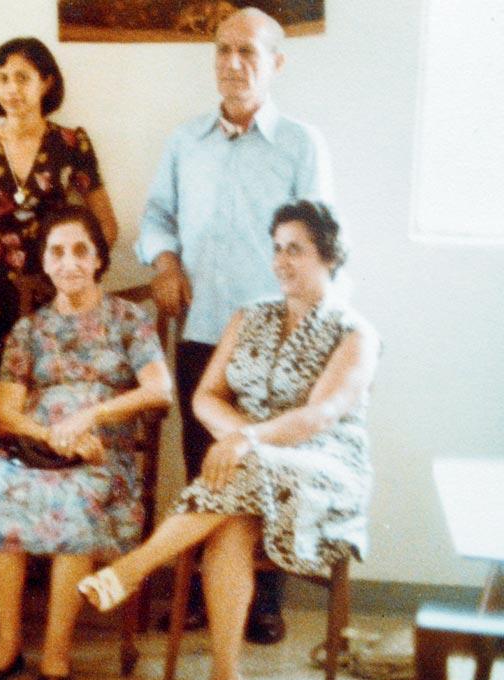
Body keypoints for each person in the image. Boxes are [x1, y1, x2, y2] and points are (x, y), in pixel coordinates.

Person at [79, 200, 379, 680]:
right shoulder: (250, 317)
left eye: (297, 250)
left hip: (325, 468)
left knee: (243, 469)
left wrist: (247, 442)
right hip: (250, 467)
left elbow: (321, 415)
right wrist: (244, 438)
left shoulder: (355, 333)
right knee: (231, 526)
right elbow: (204, 397)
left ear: (329, 256)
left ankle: (135, 568)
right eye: (278, 249)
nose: (282, 260)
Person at [136, 7, 333, 643]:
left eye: (249, 52)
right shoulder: (184, 141)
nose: (233, 63)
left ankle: (263, 598)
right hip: (202, 334)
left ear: (276, 63)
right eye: (223, 50)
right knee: (207, 467)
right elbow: (157, 218)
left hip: (276, 344)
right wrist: (164, 260)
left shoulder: (301, 144)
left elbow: (321, 244)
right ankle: (201, 595)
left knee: (269, 465)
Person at [0, 206, 172, 680]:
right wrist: (54, 436)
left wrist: (88, 419)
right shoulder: (29, 331)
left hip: (104, 456)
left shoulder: (129, 320)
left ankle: (57, 650)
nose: (69, 261)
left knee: (76, 499)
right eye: (57, 252)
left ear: (98, 257)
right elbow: (6, 414)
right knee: (0, 488)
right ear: (45, 261)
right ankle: (8, 643)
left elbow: (160, 391)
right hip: (36, 453)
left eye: (81, 250)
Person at [0, 37, 117, 477]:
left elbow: (106, 225)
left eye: (24, 78)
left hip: (54, 301)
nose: (12, 88)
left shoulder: (72, 142)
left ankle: (47, 509)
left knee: (49, 400)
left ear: (47, 82)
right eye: (3, 78)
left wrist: (80, 284)